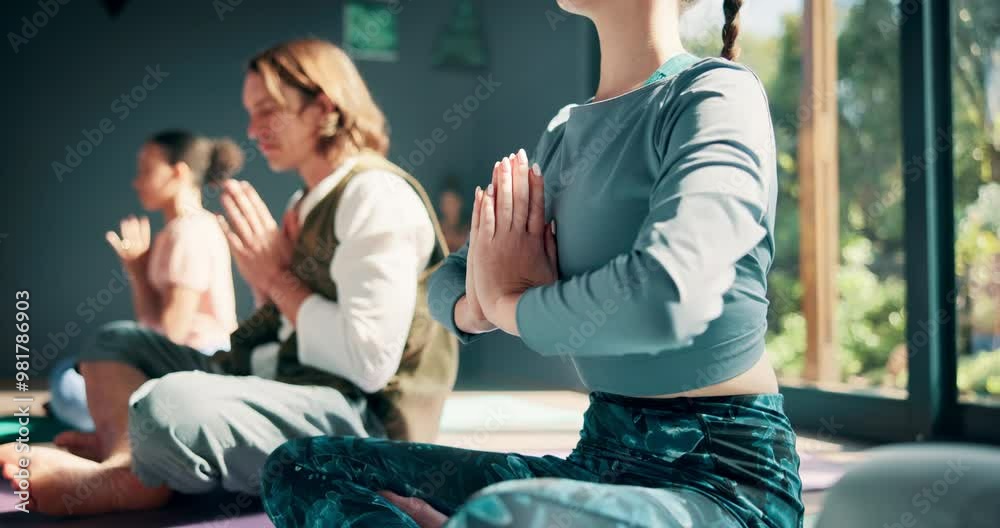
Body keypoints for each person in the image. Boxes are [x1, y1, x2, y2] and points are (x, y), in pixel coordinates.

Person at [259, 1, 804, 527]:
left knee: (505, 517)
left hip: (721, 484)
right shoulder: (566, 133)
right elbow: (447, 282)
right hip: (602, 458)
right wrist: (480, 306)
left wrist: (510, 306)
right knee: (301, 466)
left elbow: (667, 297)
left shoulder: (717, 93)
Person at [0, 38, 457, 516]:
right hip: (289, 387)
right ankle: (131, 461)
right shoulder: (306, 203)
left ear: (323, 107)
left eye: (267, 111)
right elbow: (285, 334)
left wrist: (279, 279)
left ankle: (137, 463)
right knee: (114, 344)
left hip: (366, 424)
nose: (253, 130)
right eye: (250, 113)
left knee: (168, 406)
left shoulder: (376, 195)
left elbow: (367, 363)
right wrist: (268, 284)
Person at [46, 130, 241, 432]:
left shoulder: (189, 232)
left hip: (199, 366)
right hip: (182, 364)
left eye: (146, 170)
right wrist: (138, 271)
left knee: (66, 381)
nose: (137, 182)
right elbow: (155, 329)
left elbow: (170, 337)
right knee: (75, 372)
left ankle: (125, 420)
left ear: (178, 173)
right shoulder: (177, 231)